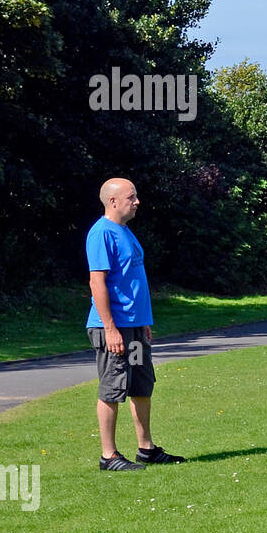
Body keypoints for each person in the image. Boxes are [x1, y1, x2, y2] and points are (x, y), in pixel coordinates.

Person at [86, 178, 184, 471]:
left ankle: (147, 449)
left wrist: (143, 323)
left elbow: (133, 279)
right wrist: (110, 328)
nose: (137, 201)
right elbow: (97, 282)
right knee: (112, 387)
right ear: (113, 201)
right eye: (132, 197)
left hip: (136, 327)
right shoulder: (101, 233)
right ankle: (109, 456)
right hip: (114, 328)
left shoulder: (125, 231)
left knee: (141, 384)